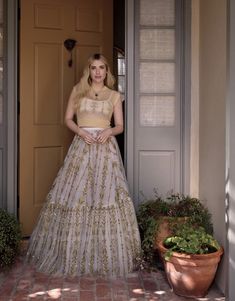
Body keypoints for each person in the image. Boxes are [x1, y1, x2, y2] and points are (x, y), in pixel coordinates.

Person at [27, 53, 141, 277]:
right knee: (77, 195)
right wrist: (81, 132)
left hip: (106, 149)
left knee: (105, 196)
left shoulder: (115, 96)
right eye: (94, 68)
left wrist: (109, 131)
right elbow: (68, 118)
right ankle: (73, 252)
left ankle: (105, 254)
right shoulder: (78, 91)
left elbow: (120, 126)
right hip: (82, 146)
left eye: (102, 68)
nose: (98, 72)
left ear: (107, 71)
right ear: (88, 71)